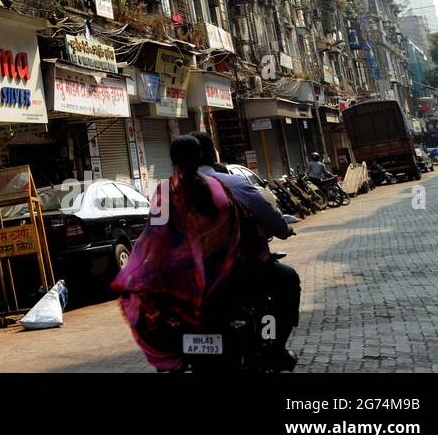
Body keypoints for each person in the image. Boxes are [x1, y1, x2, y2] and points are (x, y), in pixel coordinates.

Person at [111, 135, 269, 372]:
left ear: (173, 161)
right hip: (224, 278)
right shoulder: (220, 187)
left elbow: (154, 236)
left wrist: (139, 271)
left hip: (181, 286)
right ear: (201, 157)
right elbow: (240, 227)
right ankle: (268, 348)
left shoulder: (166, 191)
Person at [194, 131, 299, 366]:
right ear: (213, 155)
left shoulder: (168, 195)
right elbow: (273, 221)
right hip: (240, 272)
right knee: (287, 281)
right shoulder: (235, 184)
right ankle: (274, 347)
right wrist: (284, 229)